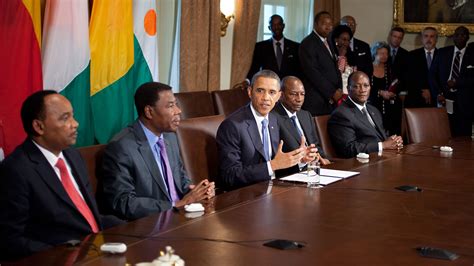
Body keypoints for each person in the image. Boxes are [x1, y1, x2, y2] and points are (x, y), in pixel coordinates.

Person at [0, 91, 117, 260]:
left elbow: (87, 217)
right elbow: (9, 239)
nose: (75, 124)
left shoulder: (73, 156)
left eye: (73, 116)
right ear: (39, 126)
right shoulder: (16, 169)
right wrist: (63, 255)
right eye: (65, 118)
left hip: (97, 250)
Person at [101, 82, 215, 221]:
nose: (178, 111)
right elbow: (123, 201)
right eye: (170, 106)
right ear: (149, 111)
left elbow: (180, 180)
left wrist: (198, 191)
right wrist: (175, 204)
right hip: (150, 225)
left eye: (176, 104)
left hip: (180, 218)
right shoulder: (122, 147)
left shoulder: (170, 137)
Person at [216, 70, 309, 190]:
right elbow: (230, 175)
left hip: (274, 191)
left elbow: (279, 165)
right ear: (250, 92)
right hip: (247, 195)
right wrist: (272, 165)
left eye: (272, 92)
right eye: (260, 91)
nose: (265, 98)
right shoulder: (232, 126)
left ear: (278, 96)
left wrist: (299, 160)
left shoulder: (274, 120)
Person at [328, 71, 403, 158]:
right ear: (348, 89)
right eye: (357, 86)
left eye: (366, 86)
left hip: (382, 158)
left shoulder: (373, 110)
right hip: (361, 164)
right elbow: (348, 149)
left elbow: (381, 137)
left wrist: (393, 140)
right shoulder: (341, 114)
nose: (362, 90)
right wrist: (383, 145)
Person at [272, 76, 330, 177]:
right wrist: (302, 161)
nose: (299, 99)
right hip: (292, 174)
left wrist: (322, 158)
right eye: (293, 94)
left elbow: (315, 145)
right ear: (281, 95)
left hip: (315, 170)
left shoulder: (305, 115)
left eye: (302, 94)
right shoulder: (273, 117)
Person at [430, 26, 474, 136]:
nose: (460, 37)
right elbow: (432, 75)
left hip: (465, 102)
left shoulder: (473, 55)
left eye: (463, 35)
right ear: (453, 37)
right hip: (444, 98)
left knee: (463, 137)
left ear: (468, 37)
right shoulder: (442, 52)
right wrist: (438, 93)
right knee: (444, 133)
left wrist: (457, 82)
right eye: (457, 35)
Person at [299, 11, 342, 116]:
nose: (328, 27)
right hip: (316, 100)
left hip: (330, 100)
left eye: (330, 24)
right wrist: (332, 92)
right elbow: (313, 72)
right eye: (324, 24)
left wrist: (339, 88)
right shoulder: (307, 43)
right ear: (316, 24)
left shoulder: (329, 41)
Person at [247, 14, 300, 80]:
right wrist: (247, 81)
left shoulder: (295, 47)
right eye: (273, 25)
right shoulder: (260, 47)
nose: (277, 27)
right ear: (269, 27)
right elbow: (254, 68)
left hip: (288, 86)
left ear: (283, 26)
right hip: (268, 86)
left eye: (279, 24)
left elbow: (299, 71)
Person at [369, 41, 402, 135]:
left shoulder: (390, 68)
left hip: (389, 105)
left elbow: (396, 83)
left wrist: (392, 92)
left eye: (386, 53)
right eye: (382, 53)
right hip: (372, 104)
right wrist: (380, 92)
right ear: (375, 53)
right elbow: (366, 86)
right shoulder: (368, 67)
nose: (385, 56)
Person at [404, 27, 438, 107]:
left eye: (432, 36)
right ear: (422, 39)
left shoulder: (442, 55)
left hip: (436, 100)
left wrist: (431, 91)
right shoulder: (411, 55)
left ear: (436, 39)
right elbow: (408, 78)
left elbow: (443, 78)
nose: (428, 39)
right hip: (416, 99)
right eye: (426, 36)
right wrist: (422, 91)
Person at [330, 24, 356, 104]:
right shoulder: (331, 54)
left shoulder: (351, 55)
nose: (346, 43)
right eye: (344, 39)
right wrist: (341, 57)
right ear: (336, 39)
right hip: (337, 94)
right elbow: (337, 73)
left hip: (350, 94)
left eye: (348, 40)